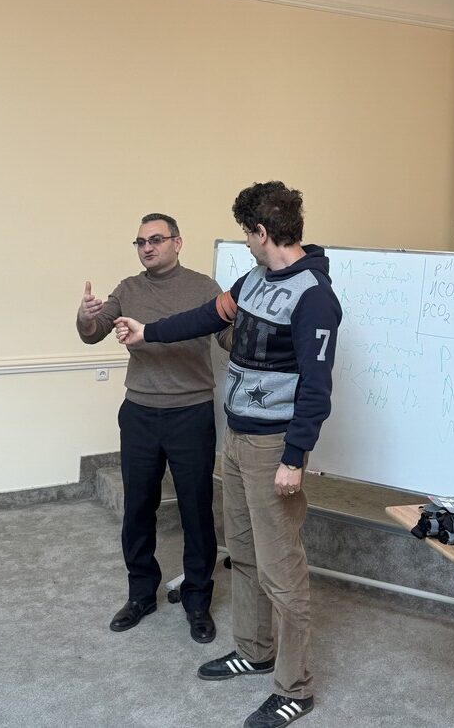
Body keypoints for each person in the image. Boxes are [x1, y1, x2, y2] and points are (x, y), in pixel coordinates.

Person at [114, 182, 342, 728]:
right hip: (236, 437)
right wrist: (148, 332)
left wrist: (294, 457)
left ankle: (295, 688)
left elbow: (317, 387)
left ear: (263, 232)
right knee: (243, 552)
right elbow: (205, 318)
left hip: (273, 447)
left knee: (282, 568)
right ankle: (255, 650)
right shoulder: (253, 280)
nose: (245, 243)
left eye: (247, 234)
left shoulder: (314, 296)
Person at [76, 212, 231, 643]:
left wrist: (252, 328)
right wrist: (86, 316)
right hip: (140, 413)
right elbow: (93, 332)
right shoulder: (128, 289)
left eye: (156, 239)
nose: (147, 247)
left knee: (196, 510)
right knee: (138, 508)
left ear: (177, 243)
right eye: (141, 242)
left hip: (190, 413)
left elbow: (228, 339)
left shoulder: (204, 288)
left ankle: (197, 600)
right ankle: (141, 594)